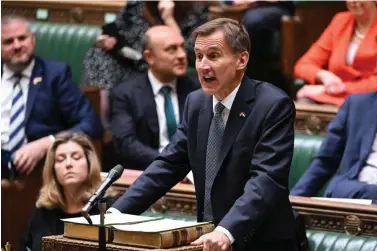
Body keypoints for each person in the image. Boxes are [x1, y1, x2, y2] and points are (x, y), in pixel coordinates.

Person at [108, 18, 298, 251]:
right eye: (199, 56)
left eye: (214, 55)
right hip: (207, 240)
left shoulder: (272, 105)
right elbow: (168, 165)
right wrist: (116, 213)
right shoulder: (197, 103)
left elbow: (265, 180)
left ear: (242, 59)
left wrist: (227, 230)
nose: (203, 65)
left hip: (259, 242)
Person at [291, 43, 377, 207]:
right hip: (357, 198)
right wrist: (293, 201)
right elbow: (325, 161)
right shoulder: (357, 107)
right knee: (374, 193)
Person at [1, 15, 103, 179]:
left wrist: (48, 143)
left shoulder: (55, 75)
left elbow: (91, 124)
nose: (17, 46)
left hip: (38, 173)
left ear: (32, 40)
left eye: (22, 38)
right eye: (8, 42)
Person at [83, 1, 208, 129]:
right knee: (99, 55)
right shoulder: (135, 6)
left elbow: (191, 54)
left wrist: (169, 19)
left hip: (163, 65)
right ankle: (105, 127)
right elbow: (118, 29)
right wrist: (106, 39)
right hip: (132, 60)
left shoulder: (195, 11)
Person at [110, 25, 200, 170]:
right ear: (149, 57)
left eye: (182, 47)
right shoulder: (125, 94)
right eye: (171, 49)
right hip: (148, 170)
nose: (182, 55)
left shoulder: (199, 90)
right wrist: (168, 163)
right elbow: (126, 144)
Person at [295, 1, 377, 107]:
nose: (354, 1)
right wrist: (323, 75)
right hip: (334, 97)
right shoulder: (340, 21)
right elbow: (303, 65)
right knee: (303, 105)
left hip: (372, 98)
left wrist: (334, 89)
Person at [20, 132, 117, 251]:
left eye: (76, 157)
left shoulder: (107, 208)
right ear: (53, 169)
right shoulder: (44, 211)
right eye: (60, 160)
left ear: (89, 164)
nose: (68, 164)